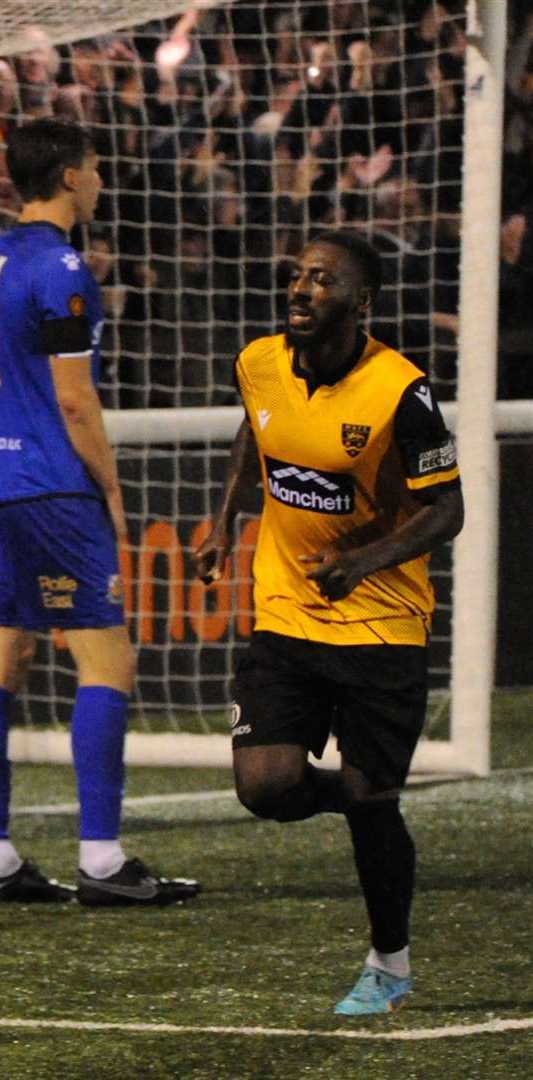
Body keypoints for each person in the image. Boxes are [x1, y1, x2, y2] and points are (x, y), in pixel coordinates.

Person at [193, 231, 464, 1015]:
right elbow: (255, 433)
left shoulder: (401, 394)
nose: (301, 289)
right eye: (297, 275)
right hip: (286, 607)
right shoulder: (258, 362)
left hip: (380, 623)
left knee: (374, 809)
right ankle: (359, 792)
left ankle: (389, 964)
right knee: (264, 786)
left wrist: (366, 559)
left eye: (321, 280)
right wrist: (222, 521)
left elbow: (447, 509)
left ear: (361, 302)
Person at [0, 118, 199, 907]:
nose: (99, 181)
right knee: (106, 662)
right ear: (68, 177)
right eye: (93, 169)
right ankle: (102, 859)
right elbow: (71, 394)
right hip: (52, 484)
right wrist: (113, 487)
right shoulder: (63, 266)